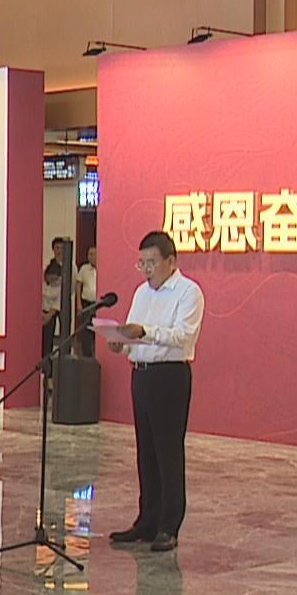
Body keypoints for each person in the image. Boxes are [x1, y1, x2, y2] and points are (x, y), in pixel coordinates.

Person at [110, 230, 205, 553]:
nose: (146, 270)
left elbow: (182, 336)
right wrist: (121, 343)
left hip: (170, 377)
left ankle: (168, 526)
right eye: (142, 263)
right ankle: (146, 521)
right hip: (141, 375)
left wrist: (145, 331)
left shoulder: (188, 292)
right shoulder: (141, 293)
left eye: (151, 263)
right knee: (146, 452)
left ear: (171, 261)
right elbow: (133, 333)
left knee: (168, 452)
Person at [42, 259, 63, 358]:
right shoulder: (41, 281)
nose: (52, 282)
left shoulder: (61, 285)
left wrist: (48, 316)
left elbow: (57, 303)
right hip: (39, 311)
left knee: (48, 340)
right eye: (50, 279)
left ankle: (47, 362)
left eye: (55, 280)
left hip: (50, 314)